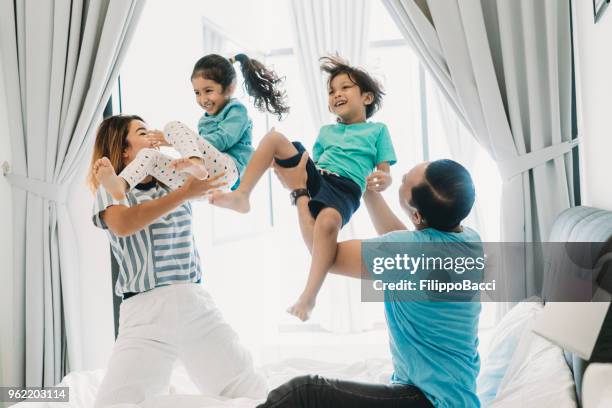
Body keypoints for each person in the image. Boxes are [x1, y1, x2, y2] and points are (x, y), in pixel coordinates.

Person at [257, 153, 482, 407]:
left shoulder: (410, 254)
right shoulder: (470, 241)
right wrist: (365, 189)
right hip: (456, 398)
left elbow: (323, 253)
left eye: (404, 180)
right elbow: (406, 244)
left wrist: (298, 191)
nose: (403, 176)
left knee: (303, 392)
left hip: (430, 402)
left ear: (417, 217)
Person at [87, 115, 267, 407]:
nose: (151, 138)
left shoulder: (172, 181)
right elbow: (123, 225)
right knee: (114, 404)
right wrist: (184, 194)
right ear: (123, 150)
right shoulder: (110, 190)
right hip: (145, 313)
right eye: (142, 132)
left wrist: (182, 148)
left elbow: (216, 177)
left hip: (193, 303)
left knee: (252, 392)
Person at [210, 55, 397, 321]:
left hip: (346, 189)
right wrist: (293, 175)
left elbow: (384, 169)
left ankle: (308, 296)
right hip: (319, 175)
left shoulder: (377, 130)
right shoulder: (326, 132)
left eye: (345, 87)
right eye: (332, 91)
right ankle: (242, 194)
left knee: (328, 222)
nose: (336, 94)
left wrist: (384, 179)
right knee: (274, 138)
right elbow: (315, 162)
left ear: (367, 98)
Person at [97, 53, 289, 201]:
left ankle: (196, 164)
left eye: (208, 91)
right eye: (197, 92)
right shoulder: (203, 121)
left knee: (172, 126)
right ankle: (122, 183)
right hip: (203, 185)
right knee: (148, 156)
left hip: (229, 170)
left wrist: (171, 140)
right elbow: (198, 146)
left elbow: (222, 140)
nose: (202, 99)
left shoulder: (236, 110)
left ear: (229, 88)